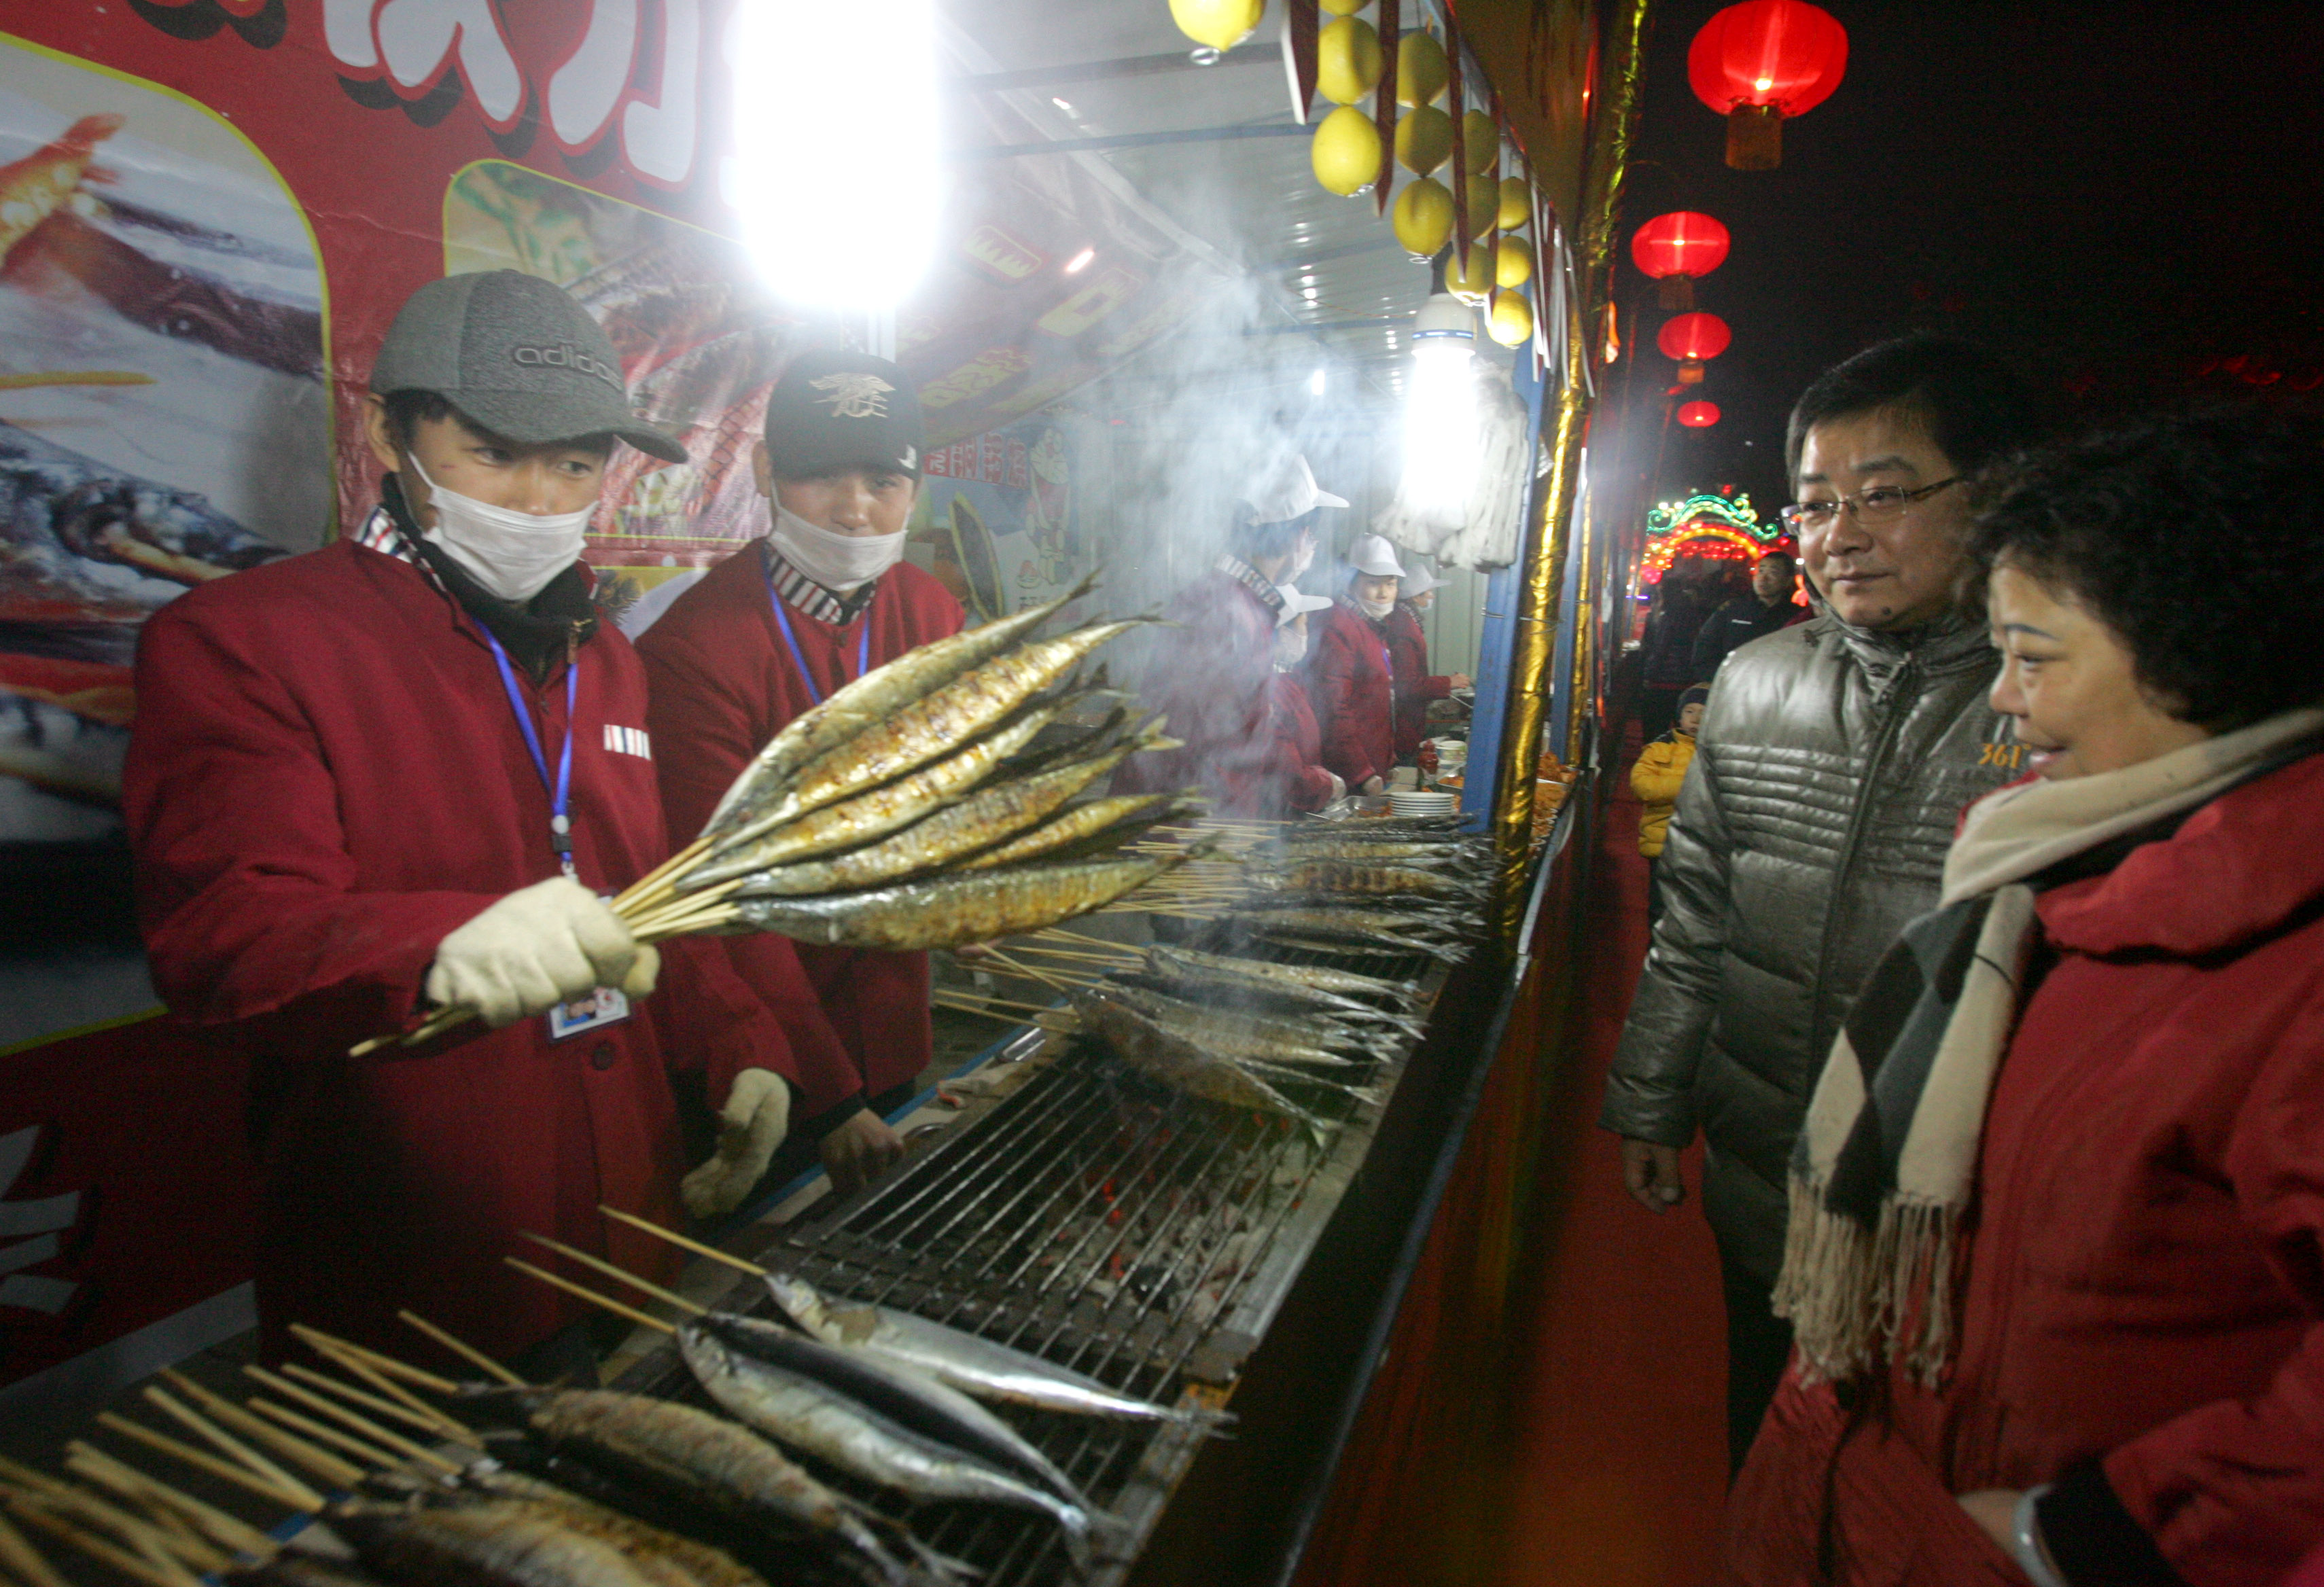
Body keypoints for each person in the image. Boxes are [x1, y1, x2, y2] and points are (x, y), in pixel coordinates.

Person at [121, 271, 804, 1368]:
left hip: (633, 1231)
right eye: (492, 454)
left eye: (576, 463)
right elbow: (225, 936)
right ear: (389, 433)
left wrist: (737, 1044)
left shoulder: (607, 659)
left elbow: (644, 895)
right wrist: (436, 948)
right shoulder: (247, 644)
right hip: (415, 1272)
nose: (540, 500)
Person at [1730, 406, 2324, 1587]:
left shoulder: (2282, 963)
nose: (2004, 698)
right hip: (1874, 1497)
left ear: (2197, 653)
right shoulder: (2043, 871)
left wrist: (2097, 1535)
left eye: (2035, 656)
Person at [1598, 334, 2041, 1472]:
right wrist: (1652, 1096)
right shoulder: (1756, 681)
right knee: (1769, 1452)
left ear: (1990, 496)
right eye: (1814, 504)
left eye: (1884, 496)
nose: (1840, 532)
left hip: (1953, 1227)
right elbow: (1694, 914)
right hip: (1761, 1179)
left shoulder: (2052, 697)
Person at [639, 349, 962, 1198]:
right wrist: (826, 1091)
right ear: (766, 469)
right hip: (769, 1056)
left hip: (894, 1022)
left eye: (884, 481)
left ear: (916, 486)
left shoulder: (931, 612)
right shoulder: (695, 650)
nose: (857, 511)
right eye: (823, 476)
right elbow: (727, 896)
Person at [1119, 454, 1347, 817]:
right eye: (1310, 536)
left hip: (1178, 810)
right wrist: (1312, 783)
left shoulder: (1230, 599)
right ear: (1297, 537)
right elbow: (1238, 738)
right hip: (1183, 821)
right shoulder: (1234, 614)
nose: (1311, 548)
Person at [1311, 533, 1405, 795]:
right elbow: (1333, 708)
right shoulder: (1339, 626)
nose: (1384, 592)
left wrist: (1387, 757)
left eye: (1391, 583)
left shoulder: (1371, 626)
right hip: (1348, 778)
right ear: (1352, 582)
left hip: (1372, 769)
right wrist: (1362, 774)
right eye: (1373, 583)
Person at [1262, 584, 1343, 815]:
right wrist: (1327, 784)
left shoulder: (1288, 678)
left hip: (1292, 807)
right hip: (1274, 814)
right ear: (1284, 634)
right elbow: (1284, 768)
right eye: (1304, 624)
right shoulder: (1271, 689)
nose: (1307, 632)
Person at [1632, 683, 1708, 923]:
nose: (1696, 719)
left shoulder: (1716, 753)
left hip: (1702, 845)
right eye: (1690, 711)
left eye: (1704, 713)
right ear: (1679, 715)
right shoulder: (1660, 748)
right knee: (1660, 906)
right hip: (1661, 842)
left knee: (1694, 910)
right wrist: (1689, 787)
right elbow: (1643, 786)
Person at [1383, 559, 1472, 764]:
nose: (1432, 597)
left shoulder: (1406, 621)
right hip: (1402, 727)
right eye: (1428, 592)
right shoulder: (1404, 629)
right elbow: (1408, 685)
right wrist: (1450, 682)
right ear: (1416, 597)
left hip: (1405, 724)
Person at [1636, 562, 1719, 741]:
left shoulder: (1671, 615)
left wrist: (1648, 675)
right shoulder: (1690, 611)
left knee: (1656, 726)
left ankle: (1656, 757)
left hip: (1664, 680)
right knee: (1682, 727)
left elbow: (1661, 649)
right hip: (1684, 679)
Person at [1690, 551, 1803, 678]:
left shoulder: (1797, 617)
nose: (1763, 578)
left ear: (1788, 580)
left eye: (1773, 573)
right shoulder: (1733, 610)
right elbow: (1705, 649)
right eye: (1761, 571)